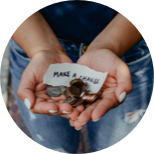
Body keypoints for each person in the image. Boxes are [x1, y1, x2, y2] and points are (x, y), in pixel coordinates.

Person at [9, 0, 153, 153]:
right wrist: (42, 50)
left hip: (127, 48)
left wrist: (109, 46)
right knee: (54, 146)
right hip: (33, 49)